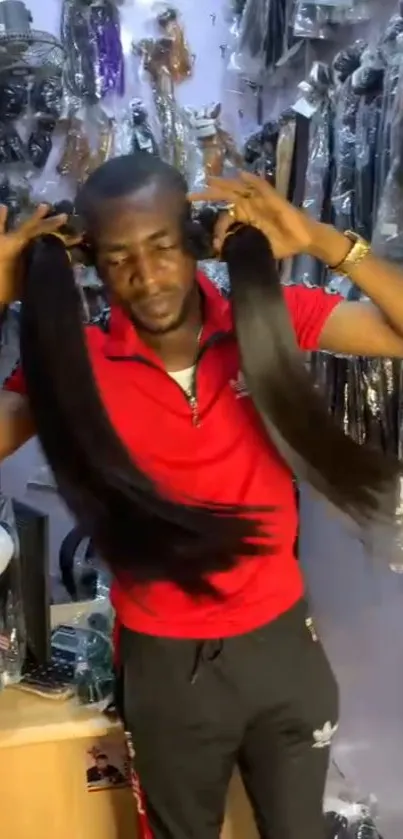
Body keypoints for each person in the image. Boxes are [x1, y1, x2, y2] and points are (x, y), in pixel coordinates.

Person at [1, 154, 403, 839]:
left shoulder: (266, 321)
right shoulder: (73, 366)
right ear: (93, 261)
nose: (147, 277)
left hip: (282, 652)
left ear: (191, 240)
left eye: (161, 246)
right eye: (121, 256)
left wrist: (320, 240)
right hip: (167, 667)